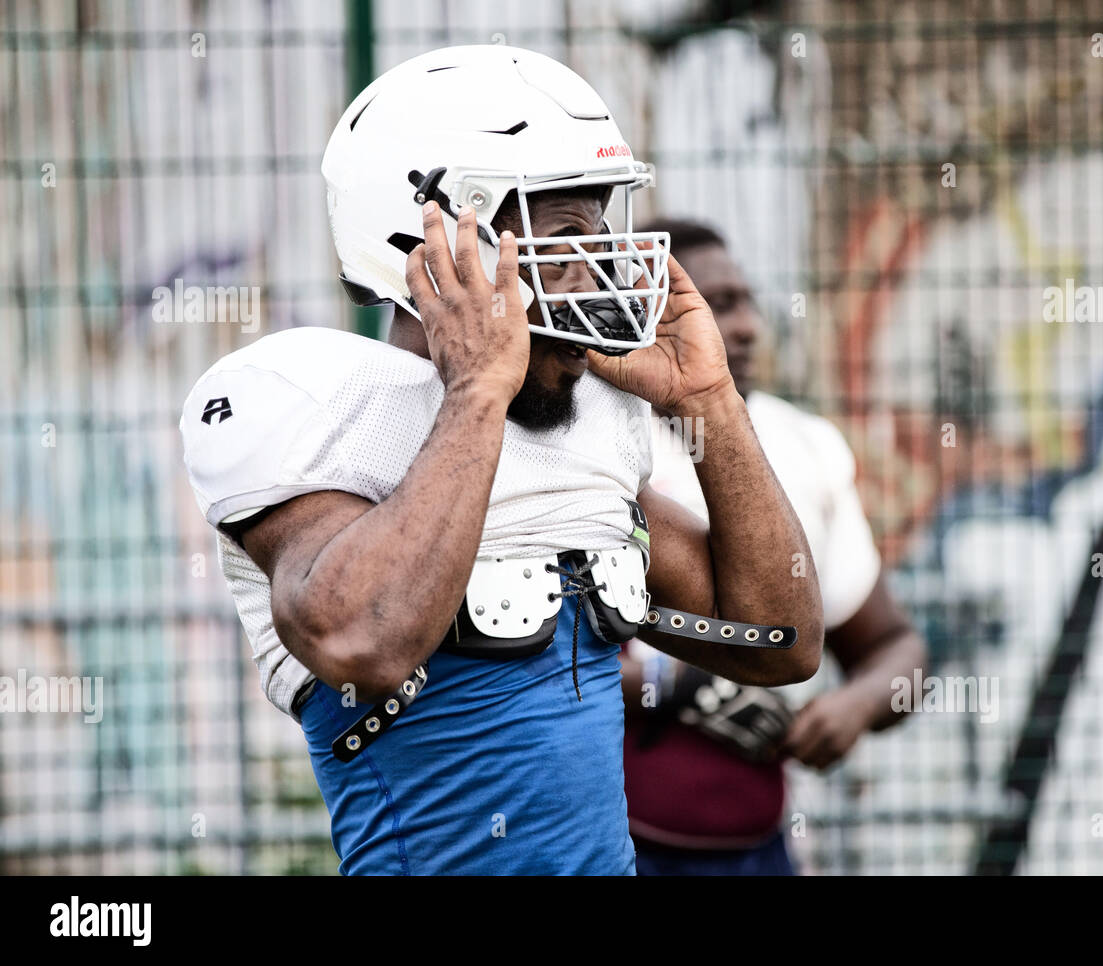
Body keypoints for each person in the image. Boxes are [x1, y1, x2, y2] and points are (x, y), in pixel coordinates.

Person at [177, 46, 822, 875]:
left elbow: (779, 641)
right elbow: (361, 642)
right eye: (567, 240)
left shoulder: (589, 431)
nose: (603, 275)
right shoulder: (316, 400)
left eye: (604, 236)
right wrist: (476, 391)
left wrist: (712, 404)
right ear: (444, 241)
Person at [620, 218, 927, 876]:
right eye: (717, 306)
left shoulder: (804, 445)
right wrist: (677, 681)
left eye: (747, 301)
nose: (750, 326)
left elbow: (895, 647)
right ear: (643, 321)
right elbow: (524, 660)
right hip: (619, 836)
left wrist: (857, 705)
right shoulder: (597, 447)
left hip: (764, 838)